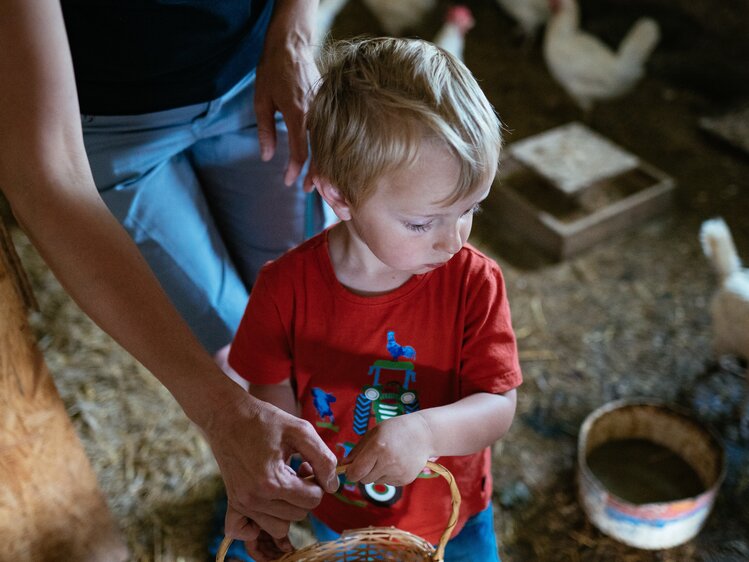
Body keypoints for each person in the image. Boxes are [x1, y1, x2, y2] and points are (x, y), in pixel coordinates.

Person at [0, 0, 339, 556]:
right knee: (231, 341)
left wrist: (296, 30)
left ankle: (321, 497)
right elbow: (45, 175)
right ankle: (269, 494)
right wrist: (220, 410)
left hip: (257, 75)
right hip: (111, 126)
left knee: (300, 314)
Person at [227, 37, 523, 561]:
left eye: (471, 208)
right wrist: (286, 480)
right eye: (421, 222)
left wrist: (427, 431)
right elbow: (269, 389)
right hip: (339, 516)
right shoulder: (284, 290)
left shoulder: (474, 283)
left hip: (454, 518)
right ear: (339, 197)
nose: (453, 239)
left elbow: (497, 406)